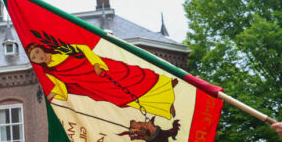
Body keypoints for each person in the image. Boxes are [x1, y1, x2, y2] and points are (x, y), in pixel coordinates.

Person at [26, 42, 177, 119]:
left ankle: (165, 84)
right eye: (34, 57)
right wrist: (51, 95)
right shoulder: (49, 71)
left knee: (132, 76)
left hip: (99, 70)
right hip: (93, 85)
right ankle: (163, 108)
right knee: (122, 97)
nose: (38, 56)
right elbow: (61, 87)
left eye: (37, 52)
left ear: (41, 48)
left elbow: (84, 48)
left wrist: (96, 64)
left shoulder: (61, 50)